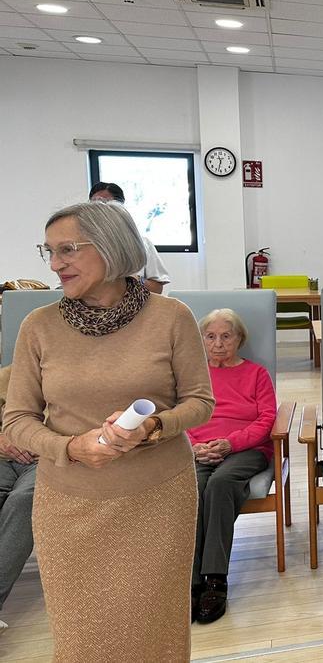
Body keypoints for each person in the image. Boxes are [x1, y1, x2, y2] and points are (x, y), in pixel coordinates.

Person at [3, 201, 214, 661]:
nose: (56, 264)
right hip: (68, 503)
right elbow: (16, 420)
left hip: (158, 501)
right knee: (82, 640)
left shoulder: (171, 316)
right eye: (49, 251)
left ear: (111, 246)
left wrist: (155, 427)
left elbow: (201, 402)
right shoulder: (37, 327)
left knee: (155, 633)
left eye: (68, 249)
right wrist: (69, 447)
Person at [188, 309, 278, 624]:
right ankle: (191, 579)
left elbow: (268, 419)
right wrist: (193, 446)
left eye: (226, 336)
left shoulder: (256, 374)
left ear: (239, 339)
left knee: (221, 483)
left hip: (247, 448)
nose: (218, 344)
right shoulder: (194, 375)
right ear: (201, 340)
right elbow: (181, 416)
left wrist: (231, 443)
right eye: (210, 336)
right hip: (199, 450)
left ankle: (214, 578)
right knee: (191, 488)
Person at [0, 365, 37, 634]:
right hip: (4, 455)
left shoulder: (85, 377)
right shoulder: (8, 375)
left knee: (23, 501)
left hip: (48, 461)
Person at [88, 182, 172, 294]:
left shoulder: (142, 244)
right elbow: (62, 290)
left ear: (120, 207)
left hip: (136, 309)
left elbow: (157, 289)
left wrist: (135, 280)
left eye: (106, 204)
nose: (101, 211)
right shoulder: (81, 244)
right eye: (95, 205)